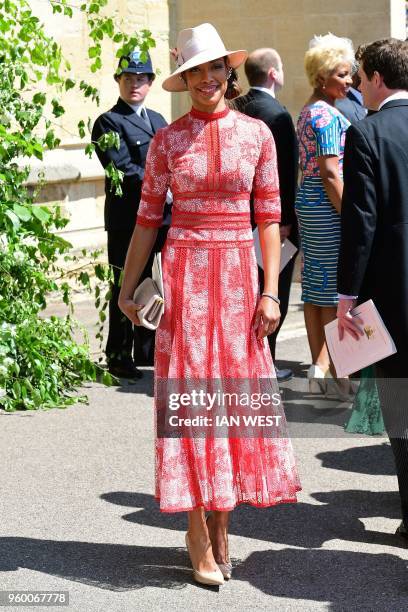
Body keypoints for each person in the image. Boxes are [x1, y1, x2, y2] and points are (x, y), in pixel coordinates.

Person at [118, 23, 300, 586]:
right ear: (186, 78)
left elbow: (269, 219)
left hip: (241, 281)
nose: (204, 79)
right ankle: (197, 529)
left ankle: (223, 522)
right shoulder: (167, 141)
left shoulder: (258, 136)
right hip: (186, 281)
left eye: (213, 68)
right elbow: (147, 221)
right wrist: (126, 290)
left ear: (229, 72)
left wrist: (272, 291)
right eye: (194, 71)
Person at [336, 38, 408, 541]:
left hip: (393, 294)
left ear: (378, 79)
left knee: (401, 408)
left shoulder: (366, 135)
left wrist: (345, 296)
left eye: (360, 77)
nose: (358, 85)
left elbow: (360, 223)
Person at [92, 50, 168, 379]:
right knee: (125, 282)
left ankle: (147, 347)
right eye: (127, 78)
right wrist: (162, 188)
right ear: (118, 82)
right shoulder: (108, 122)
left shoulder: (159, 121)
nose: (134, 84)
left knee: (157, 282)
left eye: (141, 78)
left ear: (150, 83)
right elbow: (121, 169)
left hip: (161, 217)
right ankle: (119, 353)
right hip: (128, 219)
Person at [235, 48, 299, 382]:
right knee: (274, 292)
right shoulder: (278, 115)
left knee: (248, 290)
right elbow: (286, 173)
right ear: (273, 73)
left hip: (240, 216)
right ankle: (266, 361)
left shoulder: (237, 107)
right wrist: (286, 220)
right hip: (273, 220)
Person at [295, 33, 353, 395]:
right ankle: (340, 380)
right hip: (327, 203)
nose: (350, 81)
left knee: (315, 288)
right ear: (322, 77)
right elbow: (331, 172)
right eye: (343, 74)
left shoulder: (307, 110)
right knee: (332, 292)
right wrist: (351, 215)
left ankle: (320, 368)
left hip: (308, 200)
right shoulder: (328, 116)